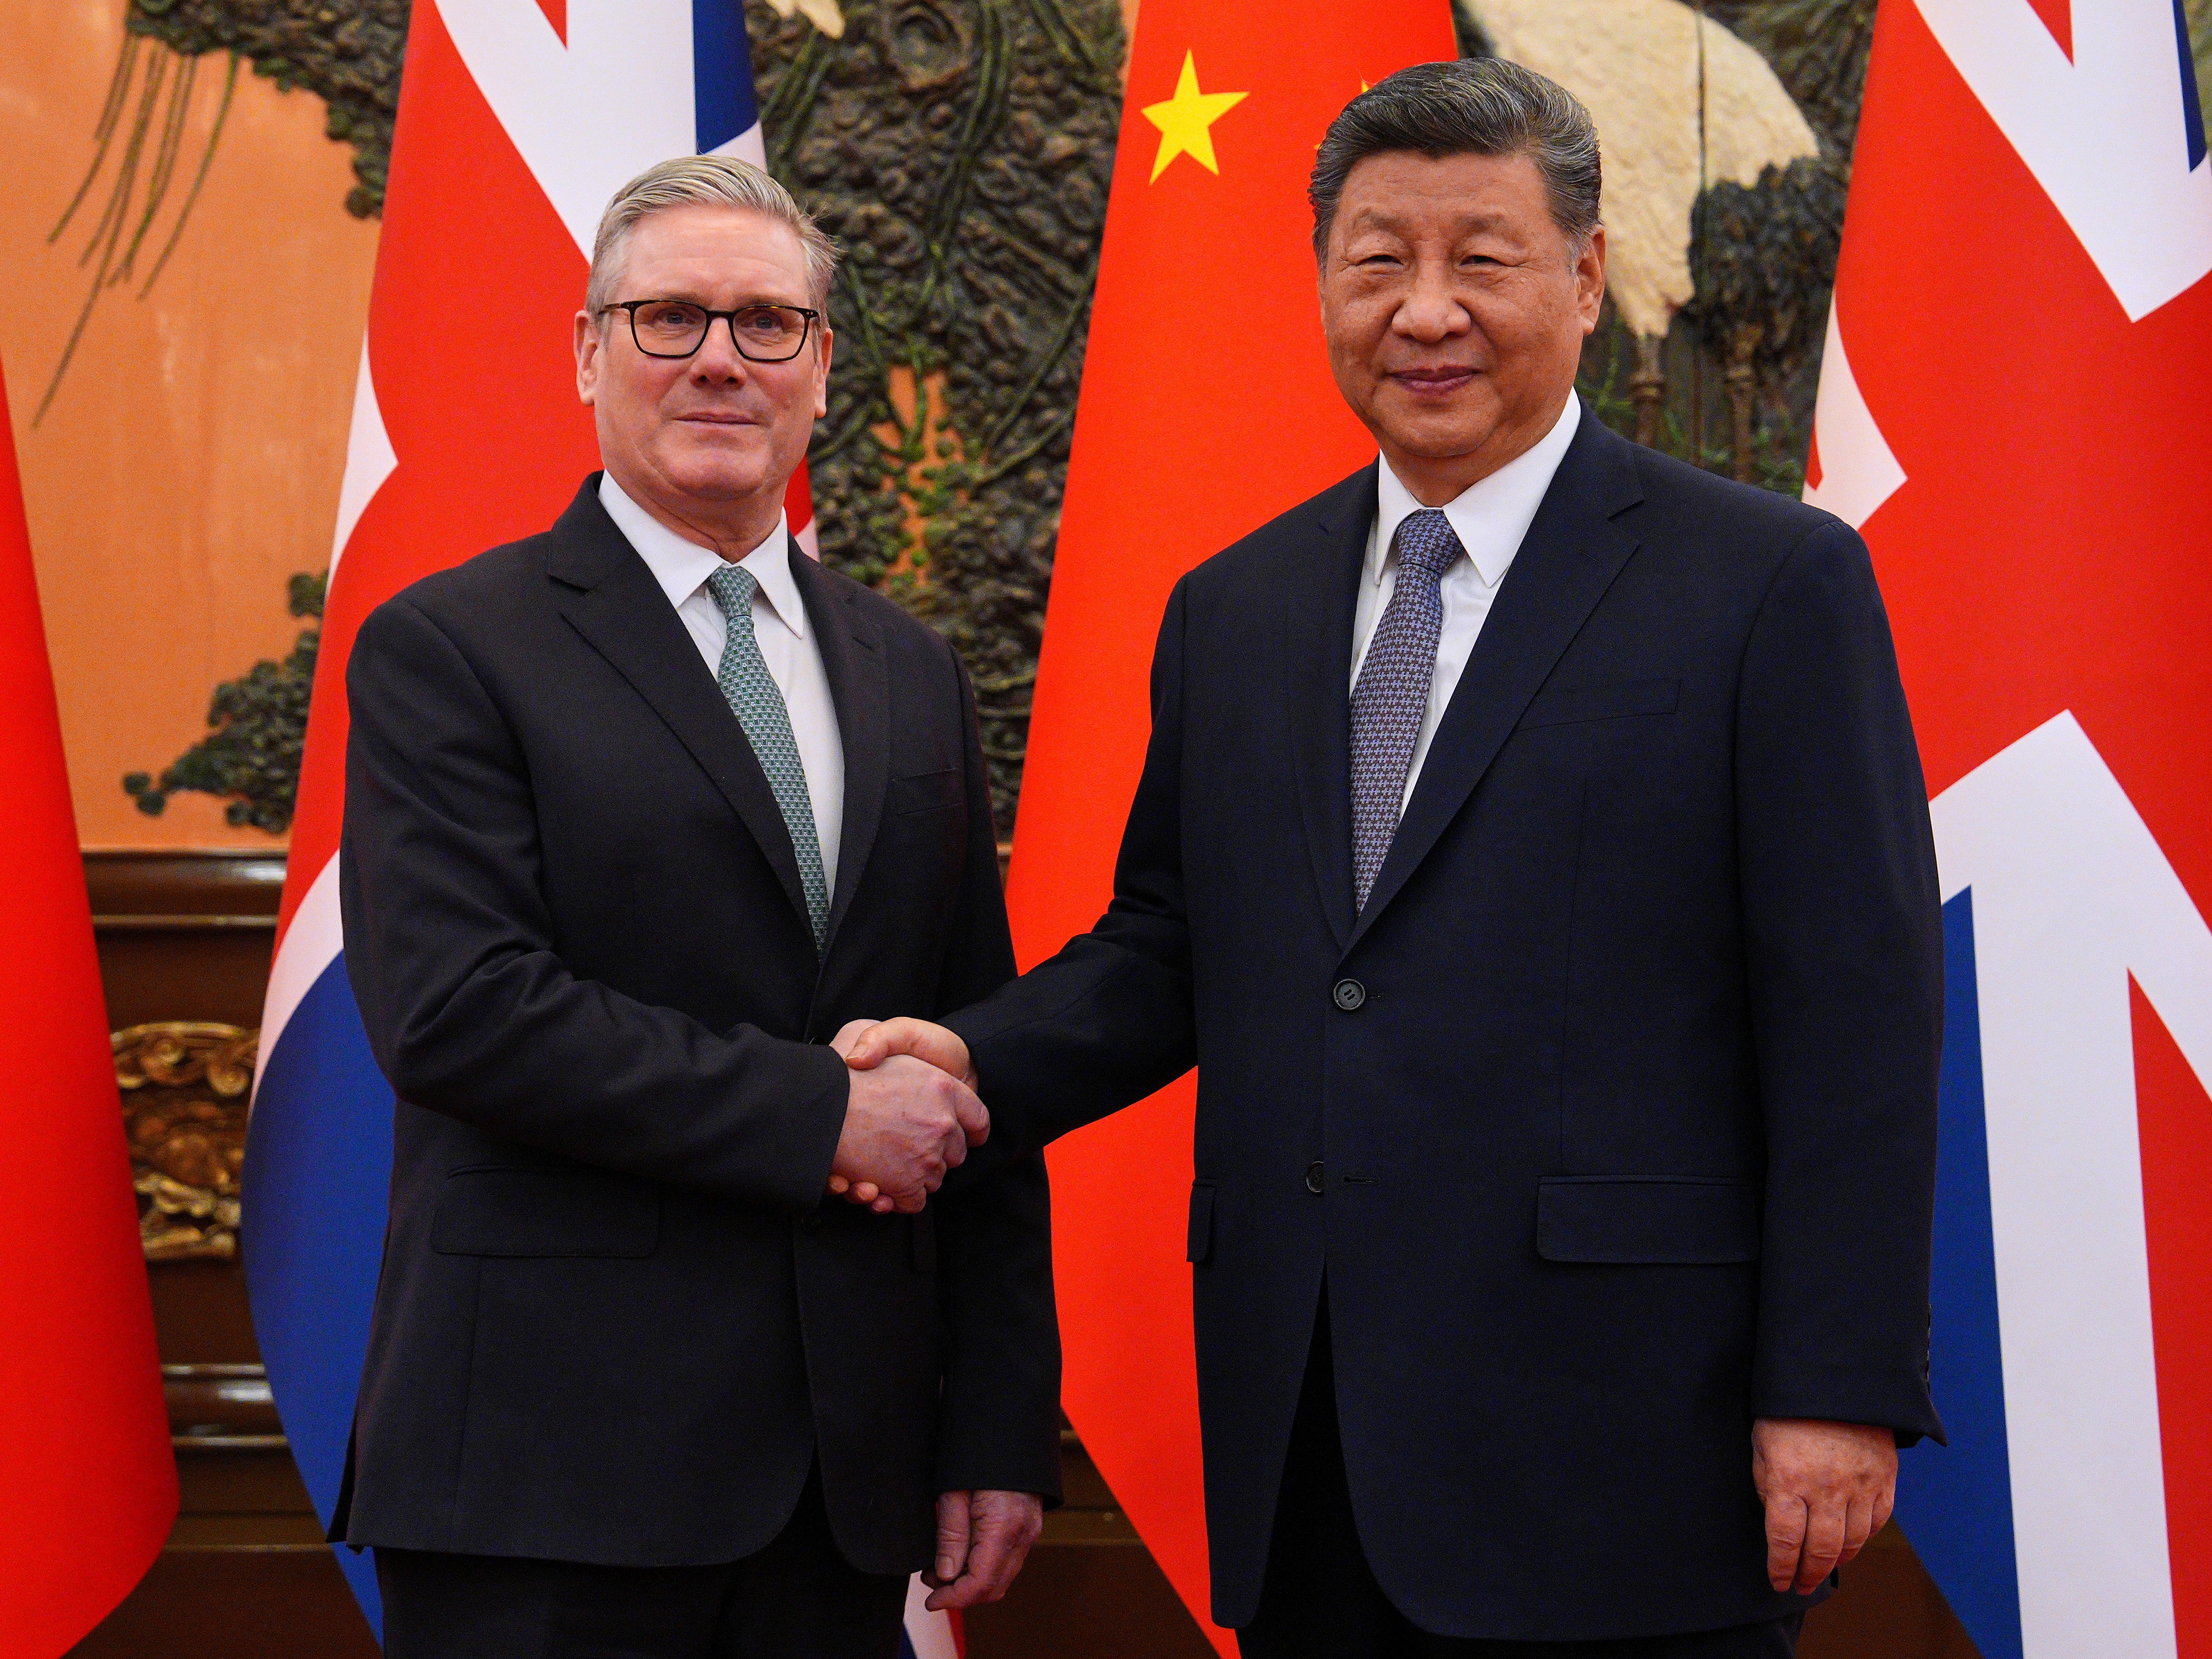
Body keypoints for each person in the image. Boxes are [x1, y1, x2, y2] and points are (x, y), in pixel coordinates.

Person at [842, 59, 1945, 1659]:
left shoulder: (1767, 587)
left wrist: (1838, 1387)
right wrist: (966, 1054)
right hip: (1314, 1441)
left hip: (1635, 1450)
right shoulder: (1236, 608)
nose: (1426, 310)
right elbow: (1167, 944)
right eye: (1379, 261)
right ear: (1323, 287)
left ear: (1583, 276)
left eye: (1481, 258)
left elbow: (1858, 1012)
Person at [333, 155, 1059, 1659]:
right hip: (551, 1479)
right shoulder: (451, 646)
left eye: (767, 323)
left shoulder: (907, 668)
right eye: (669, 318)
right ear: (589, 352)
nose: (722, 357)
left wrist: (996, 1413)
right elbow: (458, 1011)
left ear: (821, 367)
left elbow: (966, 1048)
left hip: (846, 1487)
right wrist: (819, 1118)